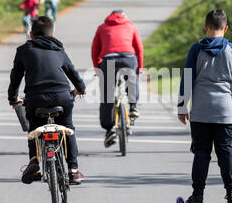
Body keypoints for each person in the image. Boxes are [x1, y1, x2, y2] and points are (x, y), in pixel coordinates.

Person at [177, 9, 232, 203]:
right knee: (227, 153)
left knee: (201, 153)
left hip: (201, 111)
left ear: (205, 27)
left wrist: (181, 106)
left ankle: (197, 196)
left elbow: (186, 78)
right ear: (226, 29)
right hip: (225, 112)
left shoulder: (196, 49)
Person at [8, 16, 86, 185]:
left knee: (34, 128)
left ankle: (34, 160)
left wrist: (13, 99)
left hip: (35, 98)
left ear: (30, 34)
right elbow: (72, 72)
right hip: (62, 96)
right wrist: (81, 88)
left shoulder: (23, 50)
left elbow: (15, 78)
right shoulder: (58, 49)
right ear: (52, 35)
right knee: (67, 127)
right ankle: (73, 171)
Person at [91, 10, 143, 148]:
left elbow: (95, 49)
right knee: (132, 79)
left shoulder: (102, 27)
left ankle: (109, 130)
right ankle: (133, 106)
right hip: (128, 58)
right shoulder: (131, 26)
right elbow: (139, 49)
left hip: (108, 60)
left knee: (107, 96)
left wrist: (97, 67)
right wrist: (139, 69)